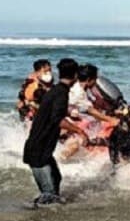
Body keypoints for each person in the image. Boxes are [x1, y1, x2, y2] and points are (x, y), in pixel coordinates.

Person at [22, 58, 87, 207]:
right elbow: (58, 120)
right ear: (76, 75)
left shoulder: (56, 91)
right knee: (49, 196)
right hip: (38, 152)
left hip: (42, 150)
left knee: (56, 179)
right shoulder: (61, 94)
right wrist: (79, 130)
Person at [59, 64, 121, 158]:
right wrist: (111, 120)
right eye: (95, 78)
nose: (96, 81)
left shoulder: (77, 85)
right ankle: (61, 162)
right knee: (77, 141)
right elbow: (92, 111)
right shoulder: (78, 93)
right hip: (65, 120)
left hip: (67, 116)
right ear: (88, 80)